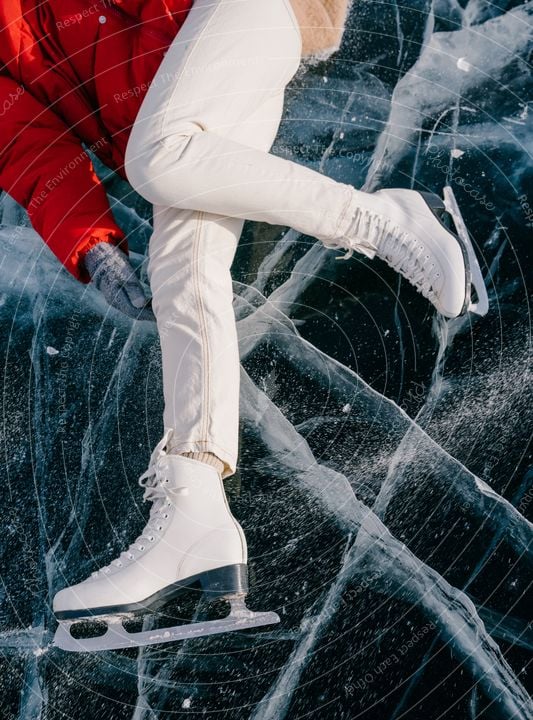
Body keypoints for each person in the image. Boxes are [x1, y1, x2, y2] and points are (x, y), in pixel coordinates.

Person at [0, 1, 486, 650]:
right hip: (178, 95)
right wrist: (90, 243)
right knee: (183, 265)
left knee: (159, 158)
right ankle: (193, 515)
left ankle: (377, 220)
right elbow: (25, 143)